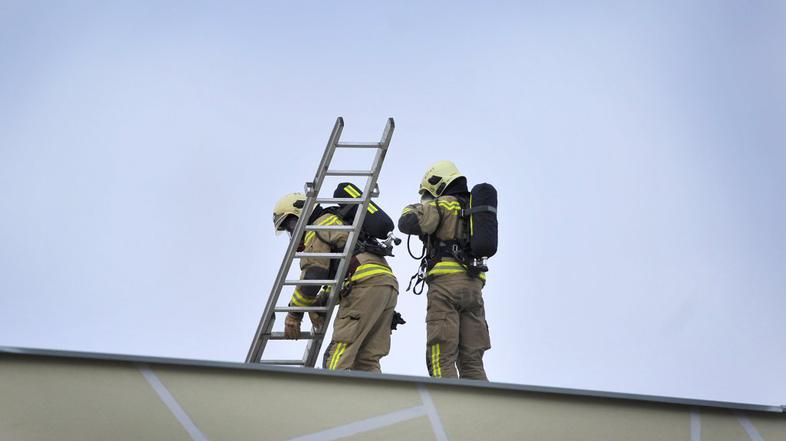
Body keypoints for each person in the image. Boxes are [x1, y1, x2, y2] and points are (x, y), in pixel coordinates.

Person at [272, 192, 399, 372]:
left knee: (337, 356)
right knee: (366, 360)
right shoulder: (338, 221)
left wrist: (294, 314)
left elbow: (314, 274)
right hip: (386, 286)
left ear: (299, 215)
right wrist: (322, 301)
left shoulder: (317, 226)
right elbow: (341, 268)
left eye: (290, 226)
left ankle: (334, 391)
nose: (292, 234)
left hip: (363, 286)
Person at [398, 161, 491, 380]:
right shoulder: (473, 208)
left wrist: (413, 208)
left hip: (446, 286)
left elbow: (407, 223)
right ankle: (479, 401)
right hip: (473, 287)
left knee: (441, 355)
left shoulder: (443, 204)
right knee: (472, 360)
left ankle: (444, 401)